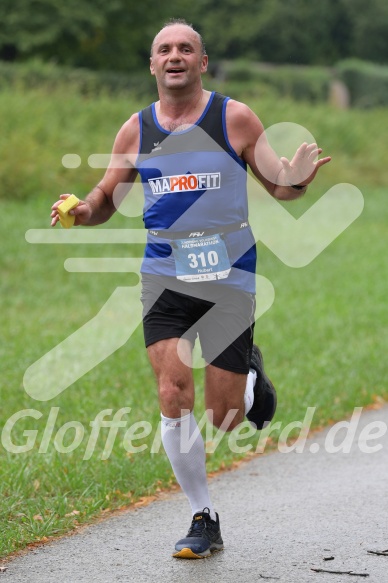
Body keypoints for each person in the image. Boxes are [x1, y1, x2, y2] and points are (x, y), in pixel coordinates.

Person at [51, 19, 331, 559]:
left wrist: (295, 177)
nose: (174, 55)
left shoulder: (234, 117)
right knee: (172, 393)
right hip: (163, 274)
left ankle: (249, 375)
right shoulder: (135, 129)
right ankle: (203, 517)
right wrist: (82, 210)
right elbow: (108, 195)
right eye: (164, 49)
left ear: (202, 63)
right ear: (152, 65)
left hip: (228, 277)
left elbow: (279, 185)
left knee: (225, 417)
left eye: (186, 48)